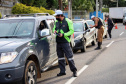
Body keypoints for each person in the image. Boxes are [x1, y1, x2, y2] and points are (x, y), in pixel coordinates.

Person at [53, 10, 77, 77]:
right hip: (58, 42)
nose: (55, 17)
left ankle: (74, 71)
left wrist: (63, 34)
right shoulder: (56, 22)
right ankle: (62, 71)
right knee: (60, 58)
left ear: (60, 15)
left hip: (65, 42)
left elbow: (71, 31)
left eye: (56, 16)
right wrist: (54, 31)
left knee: (69, 57)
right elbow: (54, 29)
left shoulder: (68, 21)